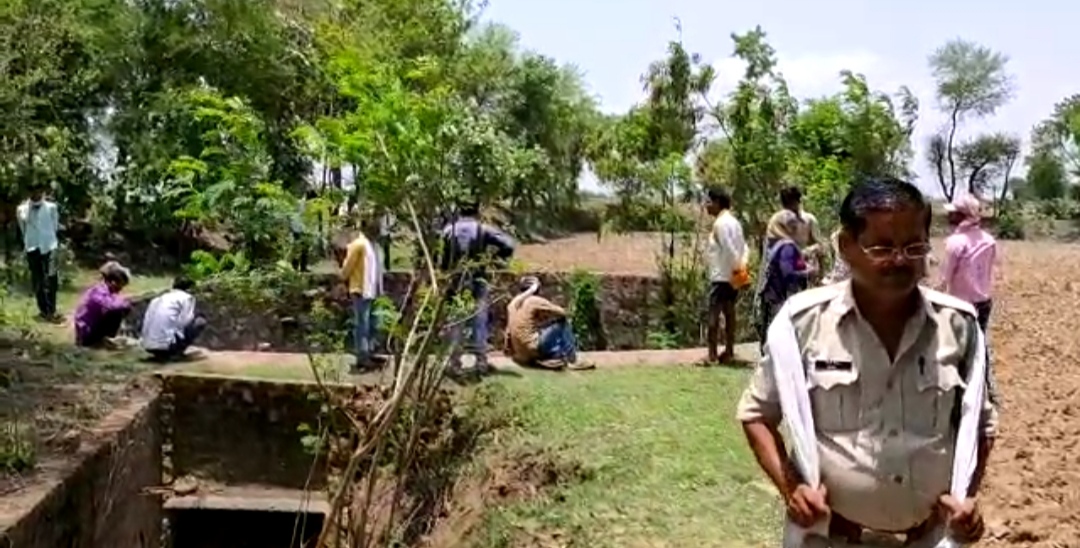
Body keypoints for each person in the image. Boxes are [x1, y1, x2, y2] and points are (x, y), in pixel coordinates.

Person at [736, 177, 997, 546]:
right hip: (834, 539)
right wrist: (792, 488)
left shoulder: (961, 326)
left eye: (913, 246)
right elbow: (756, 414)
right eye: (882, 247)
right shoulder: (801, 324)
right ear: (846, 246)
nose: (899, 260)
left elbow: (982, 426)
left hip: (930, 539)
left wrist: (966, 497)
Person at [439, 199, 516, 375]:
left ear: (458, 211)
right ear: (477, 211)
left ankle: (453, 364)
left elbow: (440, 257)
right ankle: (481, 363)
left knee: (455, 323)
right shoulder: (483, 229)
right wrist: (495, 260)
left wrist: (444, 272)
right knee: (479, 322)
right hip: (478, 282)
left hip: (455, 283)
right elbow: (509, 245)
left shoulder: (448, 230)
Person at [504, 276, 593, 371]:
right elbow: (562, 312)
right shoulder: (534, 300)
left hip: (521, 353)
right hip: (533, 348)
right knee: (562, 322)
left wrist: (509, 350)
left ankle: (550, 358)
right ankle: (572, 360)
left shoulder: (512, 304)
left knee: (541, 330)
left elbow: (508, 331)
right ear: (536, 288)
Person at [704, 187, 748, 365]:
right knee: (730, 314)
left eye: (708, 202)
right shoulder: (735, 223)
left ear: (717, 203)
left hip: (721, 276)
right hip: (732, 276)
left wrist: (739, 273)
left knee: (713, 315)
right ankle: (729, 351)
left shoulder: (720, 224)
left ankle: (712, 355)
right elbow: (744, 248)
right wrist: (741, 271)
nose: (706, 206)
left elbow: (729, 249)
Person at [755, 210, 811, 347]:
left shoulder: (778, 245)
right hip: (780, 297)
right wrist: (808, 272)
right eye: (792, 225)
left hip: (772, 295)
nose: (796, 228)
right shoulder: (787, 246)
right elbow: (788, 273)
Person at [940, 195, 996, 332]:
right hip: (983, 302)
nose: (949, 215)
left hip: (960, 304)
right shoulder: (989, 241)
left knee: (959, 346)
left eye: (953, 213)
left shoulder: (955, 242)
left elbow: (944, 277)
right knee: (979, 344)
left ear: (961, 215)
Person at [337, 217, 384, 371]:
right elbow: (347, 268)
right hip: (360, 290)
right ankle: (362, 357)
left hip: (371, 291)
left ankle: (368, 352)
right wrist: (342, 278)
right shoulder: (358, 245)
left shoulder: (372, 246)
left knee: (372, 324)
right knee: (362, 325)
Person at [16, 182, 62, 323]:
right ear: (29, 193)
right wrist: (28, 241)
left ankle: (51, 310)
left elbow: (54, 226)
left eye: (38, 191)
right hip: (32, 246)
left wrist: (49, 238)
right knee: (38, 279)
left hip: (50, 244)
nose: (35, 193)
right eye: (32, 191)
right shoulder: (22, 209)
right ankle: (43, 310)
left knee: (51, 276)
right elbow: (23, 228)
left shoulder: (51, 207)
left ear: (42, 192)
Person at [140, 276, 207, 362]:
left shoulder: (159, 298)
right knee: (200, 321)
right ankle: (175, 352)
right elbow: (184, 321)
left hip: (148, 345)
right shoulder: (187, 297)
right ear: (190, 289)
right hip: (166, 346)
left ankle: (162, 351)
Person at [74, 262, 133, 348]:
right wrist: (126, 304)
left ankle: (106, 339)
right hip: (86, 334)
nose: (121, 289)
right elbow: (111, 306)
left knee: (122, 308)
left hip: (90, 329)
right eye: (121, 286)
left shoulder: (106, 290)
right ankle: (101, 341)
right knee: (116, 312)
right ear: (113, 282)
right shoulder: (98, 291)